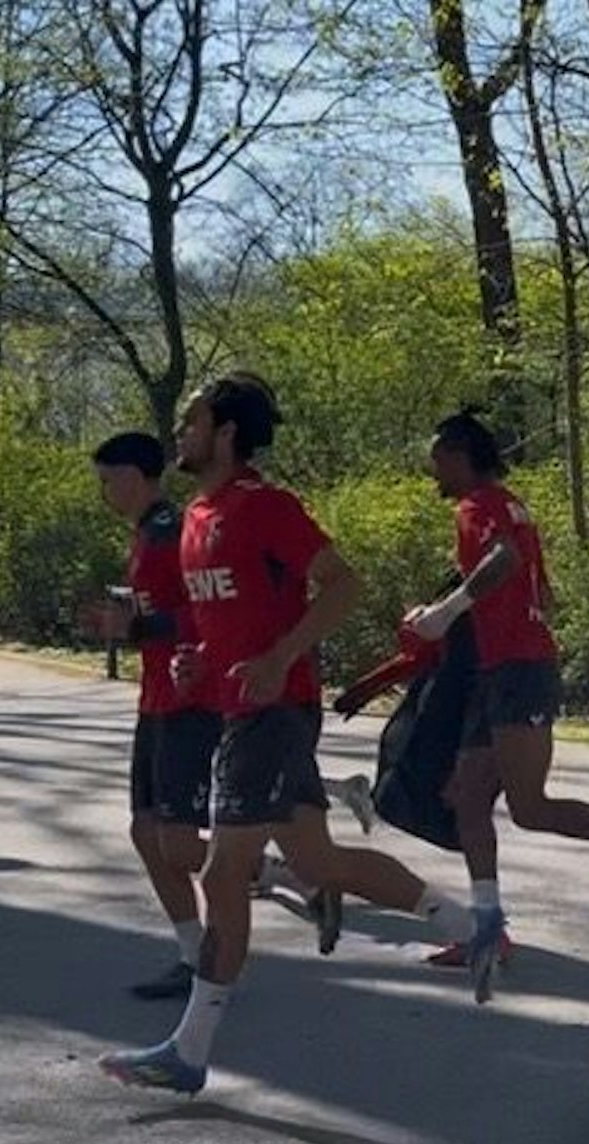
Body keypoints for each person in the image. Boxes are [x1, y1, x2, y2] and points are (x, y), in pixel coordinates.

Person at [99, 373, 486, 1095]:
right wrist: (193, 663)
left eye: (192, 422)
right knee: (319, 861)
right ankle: (471, 923)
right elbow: (217, 625)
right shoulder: (192, 519)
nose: (180, 433)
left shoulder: (265, 505)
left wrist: (282, 656)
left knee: (221, 871)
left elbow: (343, 583)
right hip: (239, 710)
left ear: (227, 434)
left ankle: (189, 1050)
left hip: (279, 709)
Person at [405, 409, 589, 996]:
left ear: (462, 456)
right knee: (466, 798)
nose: (431, 468)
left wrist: (446, 612)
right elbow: (536, 583)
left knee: (530, 808)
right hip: (498, 671)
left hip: (520, 673)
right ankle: (489, 927)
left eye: (438, 457)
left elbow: (508, 561)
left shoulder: (481, 505)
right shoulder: (504, 504)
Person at [80, 432, 225, 1001]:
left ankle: (296, 878)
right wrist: (121, 621)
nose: (103, 492)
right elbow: (154, 611)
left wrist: (139, 628)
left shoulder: (173, 533)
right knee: (145, 832)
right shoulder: (145, 534)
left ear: (135, 478)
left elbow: (205, 611)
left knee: (179, 842)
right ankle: (191, 956)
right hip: (155, 700)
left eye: (106, 480)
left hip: (191, 701)